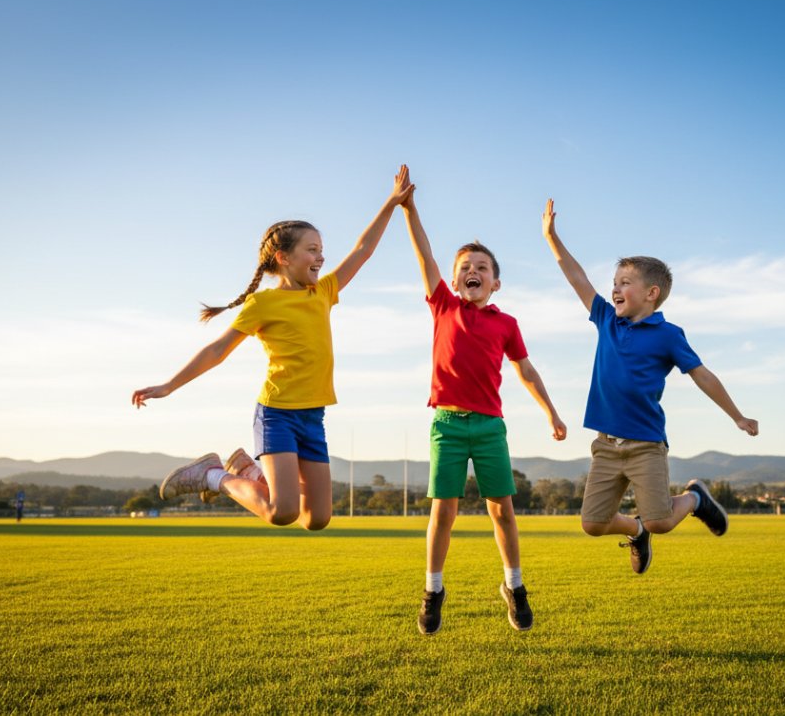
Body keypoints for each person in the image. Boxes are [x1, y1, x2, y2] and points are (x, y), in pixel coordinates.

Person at [131, 166, 415, 528]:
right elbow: (217, 350)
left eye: (321, 250)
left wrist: (391, 202)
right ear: (284, 257)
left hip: (313, 416)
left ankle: (248, 469)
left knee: (317, 519)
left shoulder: (323, 292)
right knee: (282, 512)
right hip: (277, 414)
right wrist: (169, 385)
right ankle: (214, 476)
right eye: (312, 250)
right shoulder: (262, 304)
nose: (321, 257)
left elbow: (363, 249)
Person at [541, 199, 758, 574]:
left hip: (645, 446)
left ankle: (694, 498)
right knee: (592, 524)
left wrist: (737, 416)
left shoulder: (669, 335)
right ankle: (636, 530)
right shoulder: (607, 320)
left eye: (625, 283)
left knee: (661, 520)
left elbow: (702, 375)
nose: (615, 289)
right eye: (614, 283)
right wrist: (551, 237)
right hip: (606, 446)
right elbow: (577, 278)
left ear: (651, 293)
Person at [401, 174, 567, 635]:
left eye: (482, 267)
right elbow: (425, 253)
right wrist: (409, 210)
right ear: (454, 279)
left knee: (502, 510)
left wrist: (551, 412)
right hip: (447, 425)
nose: (472, 270)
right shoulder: (442, 306)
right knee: (444, 512)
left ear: (496, 282)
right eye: (465, 266)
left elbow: (526, 372)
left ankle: (514, 586)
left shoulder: (506, 323)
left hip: (490, 426)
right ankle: (433, 590)